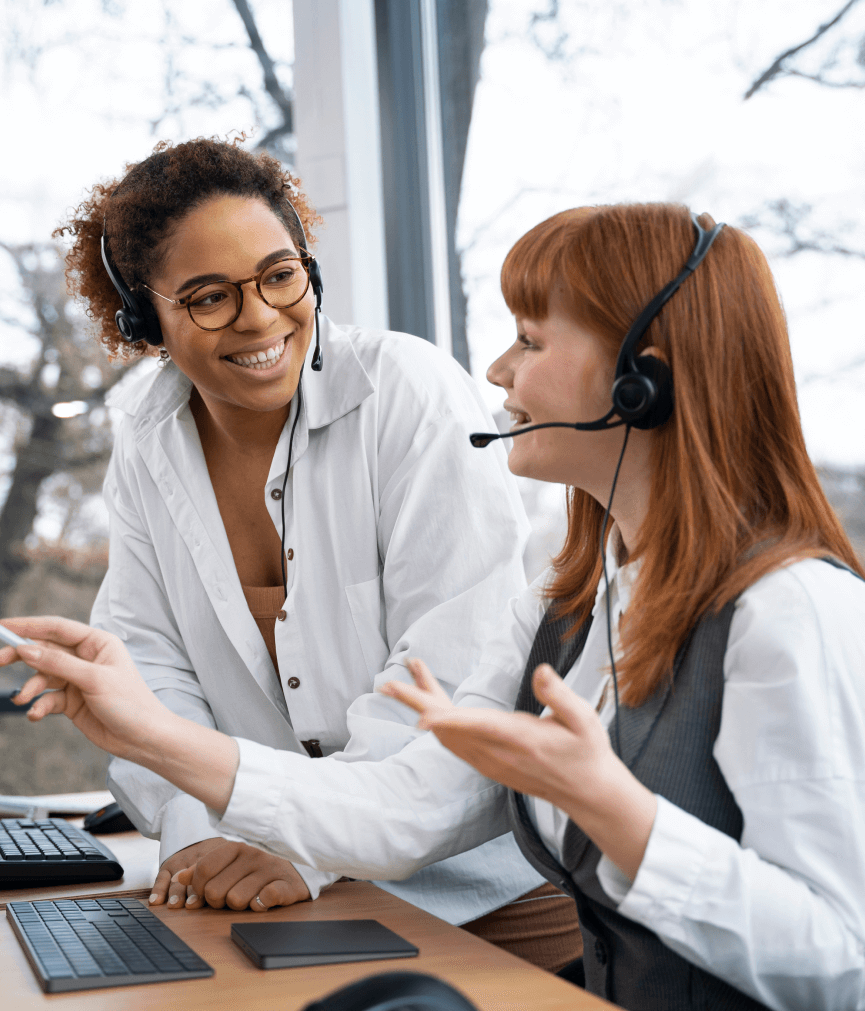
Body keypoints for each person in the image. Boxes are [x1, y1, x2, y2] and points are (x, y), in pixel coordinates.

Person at [3, 203, 865, 1011]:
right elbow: (408, 806)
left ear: (638, 381)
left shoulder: (799, 619)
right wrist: (150, 734)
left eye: (530, 340)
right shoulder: (572, 594)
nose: (495, 368)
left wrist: (621, 815)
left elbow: (843, 974)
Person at [51, 137, 582, 970]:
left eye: (278, 274)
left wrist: (301, 845)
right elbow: (150, 662)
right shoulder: (148, 440)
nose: (260, 317)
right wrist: (197, 835)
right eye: (208, 297)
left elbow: (444, 679)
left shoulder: (408, 392)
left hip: (473, 901)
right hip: (263, 893)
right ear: (141, 318)